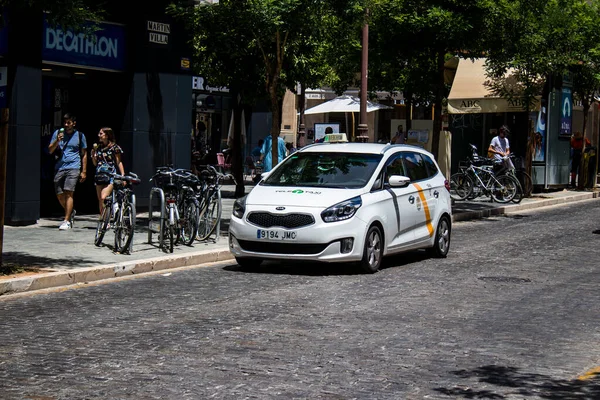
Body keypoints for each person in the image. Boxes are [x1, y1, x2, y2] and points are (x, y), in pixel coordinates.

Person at [48, 113, 88, 230]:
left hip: (74, 167)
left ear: (74, 124)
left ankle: (66, 220)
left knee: (69, 192)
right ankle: (70, 211)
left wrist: (84, 171)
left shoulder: (80, 136)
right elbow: (50, 150)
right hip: (59, 167)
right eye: (65, 123)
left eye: (69, 123)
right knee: (59, 194)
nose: (66, 125)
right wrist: (57, 141)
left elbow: (84, 154)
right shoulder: (57, 134)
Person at [91, 127, 125, 216]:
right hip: (99, 174)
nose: (99, 135)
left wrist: (122, 175)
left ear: (107, 135)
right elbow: (95, 163)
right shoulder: (98, 147)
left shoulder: (115, 147)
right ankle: (104, 220)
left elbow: (119, 162)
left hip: (110, 175)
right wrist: (93, 156)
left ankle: (108, 216)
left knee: (103, 197)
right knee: (100, 199)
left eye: (101, 133)